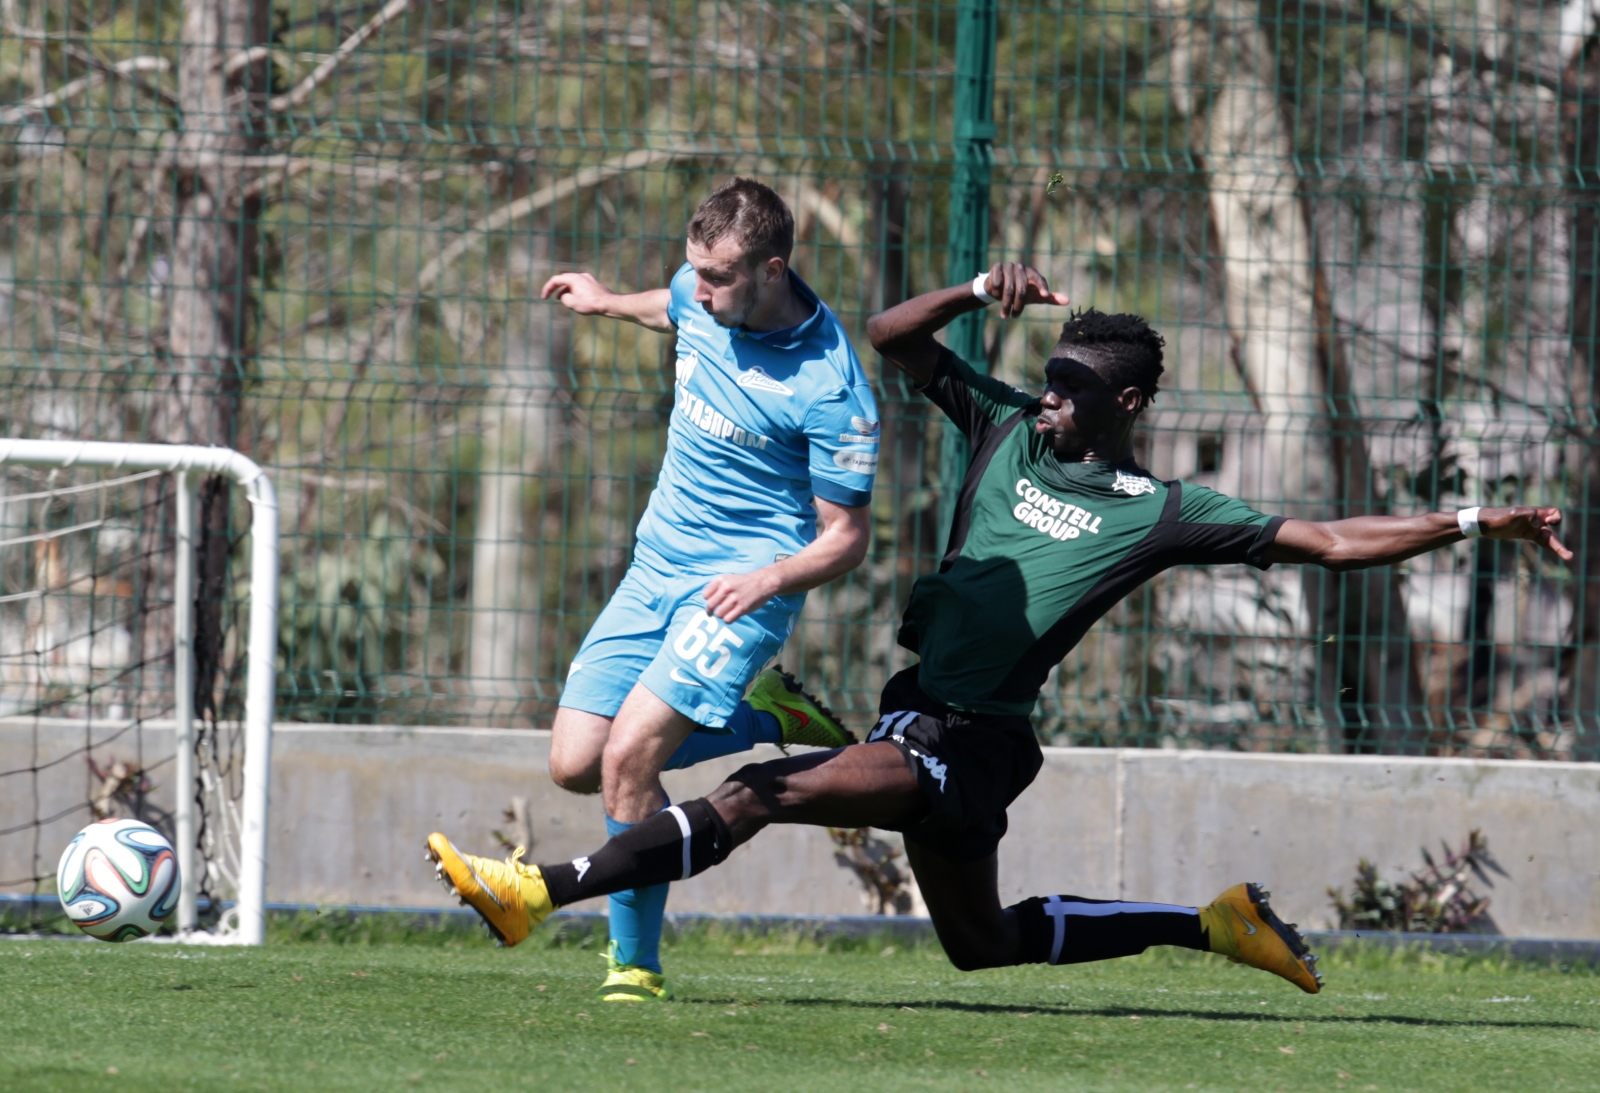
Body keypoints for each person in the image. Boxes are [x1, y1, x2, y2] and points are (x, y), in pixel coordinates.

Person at [428, 262, 1571, 996]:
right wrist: (978, 290)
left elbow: (1327, 538)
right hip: (918, 714)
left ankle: (537, 891)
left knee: (762, 793)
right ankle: (1212, 924)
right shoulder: (1006, 427)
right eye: (1050, 380)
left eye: (1072, 389)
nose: (1051, 397)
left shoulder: (1159, 510)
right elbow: (891, 336)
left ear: (1127, 404)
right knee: (981, 945)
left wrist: (1473, 521)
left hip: (968, 739)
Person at [433, 178, 879, 1001]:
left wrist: (768, 578)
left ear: (772, 270)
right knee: (576, 762)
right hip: (655, 566)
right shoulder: (700, 294)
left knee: (630, 755)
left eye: (717, 278)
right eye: (694, 271)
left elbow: (847, 536)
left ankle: (633, 965)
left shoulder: (833, 389)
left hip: (739, 588)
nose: (698, 291)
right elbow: (670, 306)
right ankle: (767, 717)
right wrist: (606, 303)